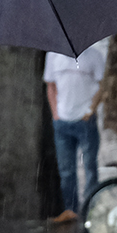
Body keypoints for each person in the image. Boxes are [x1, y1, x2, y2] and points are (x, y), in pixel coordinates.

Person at [43, 38, 106, 222]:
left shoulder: (94, 56)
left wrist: (91, 109)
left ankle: (90, 209)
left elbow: (102, 85)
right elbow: (51, 86)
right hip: (62, 121)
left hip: (85, 120)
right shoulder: (53, 55)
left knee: (89, 167)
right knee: (66, 169)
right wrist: (55, 113)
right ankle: (71, 210)